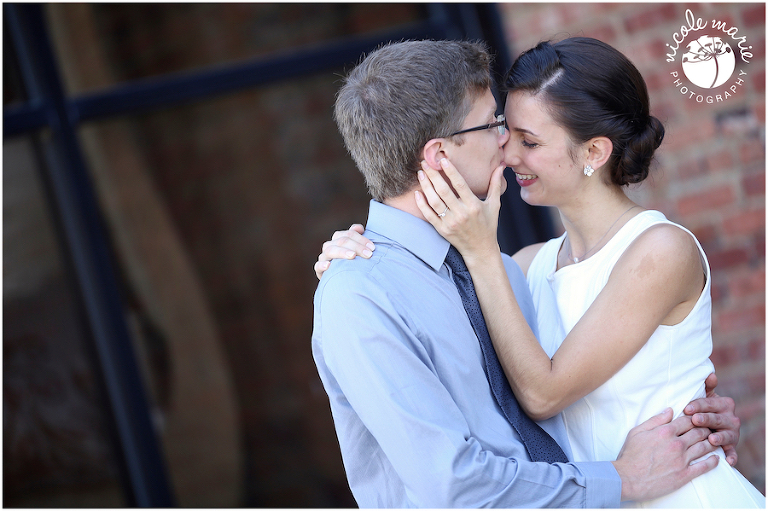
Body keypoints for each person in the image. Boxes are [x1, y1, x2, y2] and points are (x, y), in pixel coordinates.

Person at [315, 38, 762, 507]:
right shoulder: (502, 270)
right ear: (438, 156)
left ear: (594, 152)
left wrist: (695, 418)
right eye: (497, 126)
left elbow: (554, 397)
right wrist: (620, 478)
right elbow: (456, 481)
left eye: (527, 139)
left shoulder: (504, 271)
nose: (507, 149)